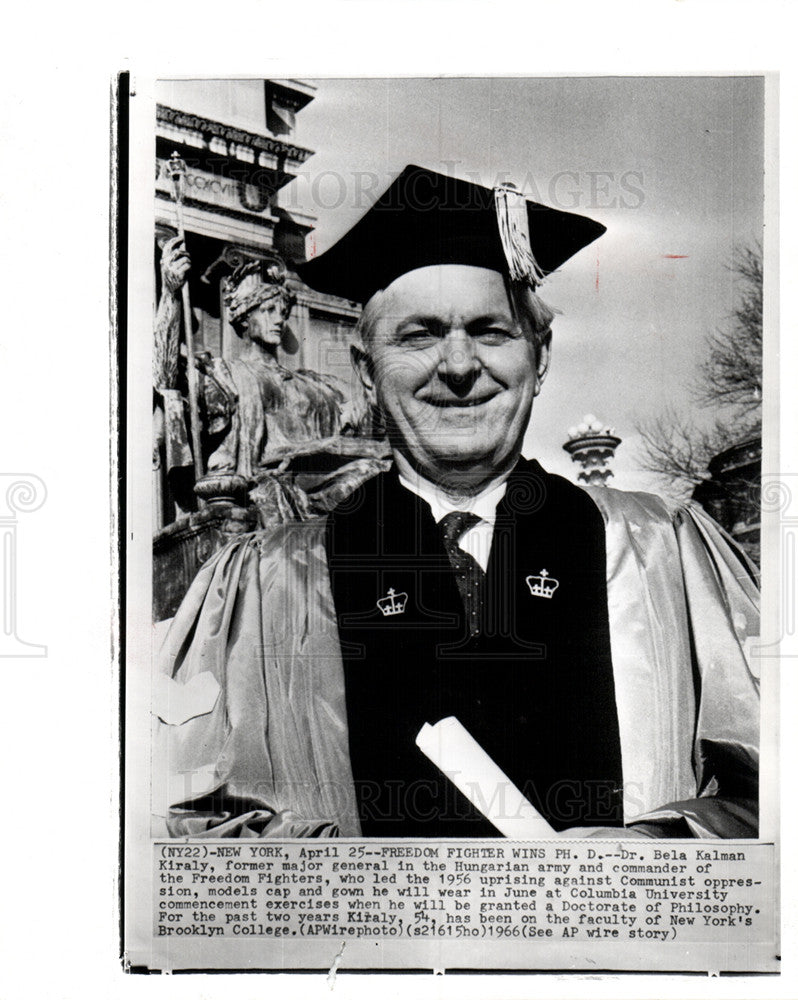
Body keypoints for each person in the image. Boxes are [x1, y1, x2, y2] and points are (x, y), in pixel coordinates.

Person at [155, 165, 759, 840]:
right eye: (418, 336)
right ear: (366, 373)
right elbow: (178, 827)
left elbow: (773, 793)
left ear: (541, 356)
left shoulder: (660, 549)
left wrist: (660, 848)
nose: (460, 364)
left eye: (491, 331)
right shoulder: (266, 582)